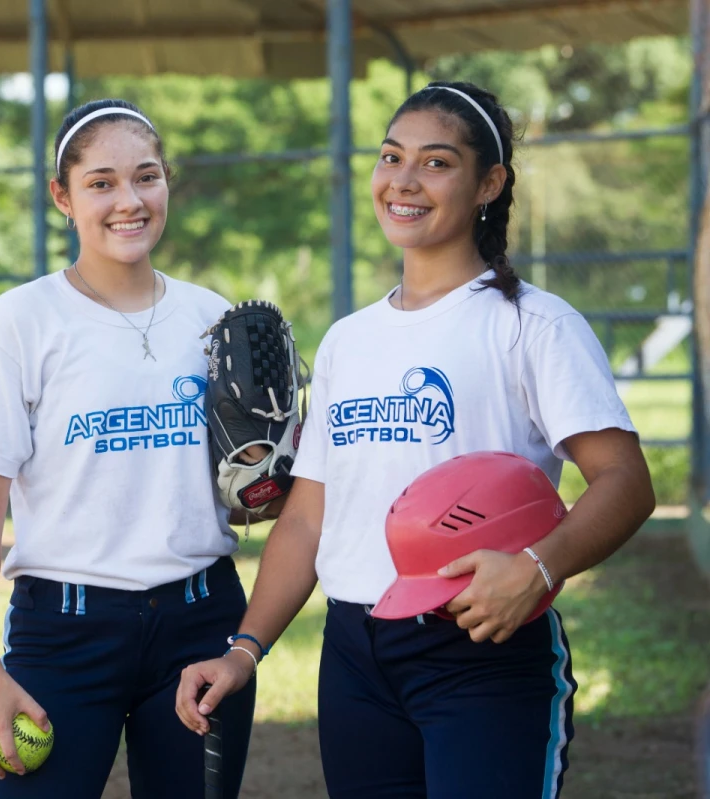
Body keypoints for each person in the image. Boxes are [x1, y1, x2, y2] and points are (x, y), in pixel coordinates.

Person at [175, 81, 656, 798]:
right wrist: (245, 650)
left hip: (480, 642)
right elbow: (308, 517)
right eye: (391, 156)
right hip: (354, 655)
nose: (403, 180)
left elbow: (626, 481)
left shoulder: (532, 324)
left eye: (436, 162)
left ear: (489, 183)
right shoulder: (349, 340)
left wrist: (538, 567)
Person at [0, 98, 257, 798]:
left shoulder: (212, 317)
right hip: (63, 631)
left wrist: (261, 483)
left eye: (147, 177)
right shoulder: (22, 320)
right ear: (63, 197)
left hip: (200, 623)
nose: (129, 201)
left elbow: (239, 496)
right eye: (101, 183)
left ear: (167, 181)